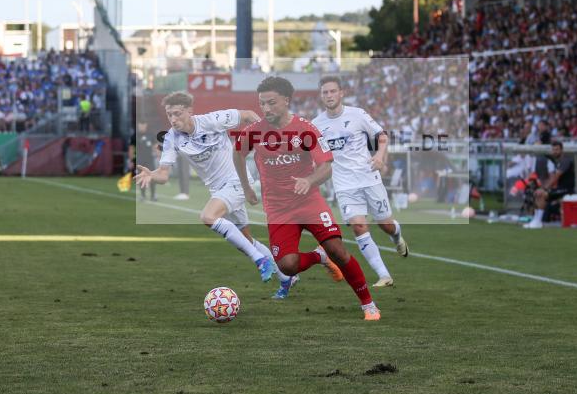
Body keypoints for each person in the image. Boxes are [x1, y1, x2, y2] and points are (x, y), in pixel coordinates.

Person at [232, 76, 381, 320]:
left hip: (309, 202)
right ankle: (318, 256)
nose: (266, 109)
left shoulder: (306, 128)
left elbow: (326, 166)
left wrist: (309, 181)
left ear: (286, 100)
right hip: (278, 209)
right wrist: (246, 187)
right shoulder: (254, 132)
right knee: (287, 265)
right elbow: (237, 155)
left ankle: (368, 304)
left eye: (271, 103)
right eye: (262, 104)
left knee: (338, 251)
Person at [134, 92, 293, 292]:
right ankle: (286, 278)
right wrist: (152, 174)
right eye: (169, 115)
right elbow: (164, 174)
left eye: (177, 113)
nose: (173, 119)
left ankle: (260, 261)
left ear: (189, 111)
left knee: (208, 216)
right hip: (219, 190)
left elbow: (248, 115)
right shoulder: (171, 139)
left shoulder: (212, 120)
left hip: (237, 181)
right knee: (247, 241)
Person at [311, 75, 407, 288]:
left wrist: (380, 156)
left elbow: (382, 136)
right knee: (359, 226)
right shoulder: (316, 124)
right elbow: (314, 154)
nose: (329, 95)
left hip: (369, 177)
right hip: (344, 185)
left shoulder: (357, 114)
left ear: (341, 93)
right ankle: (384, 275)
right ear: (321, 96)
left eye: (332, 91)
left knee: (386, 224)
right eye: (325, 92)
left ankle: (397, 235)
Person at [524, 140, 575, 229]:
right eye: (553, 150)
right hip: (559, 188)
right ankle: (536, 220)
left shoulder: (565, 161)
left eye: (557, 150)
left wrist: (544, 188)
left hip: (567, 189)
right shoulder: (555, 160)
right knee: (537, 193)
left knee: (543, 194)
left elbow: (556, 177)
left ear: (562, 150)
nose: (555, 152)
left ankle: (538, 221)